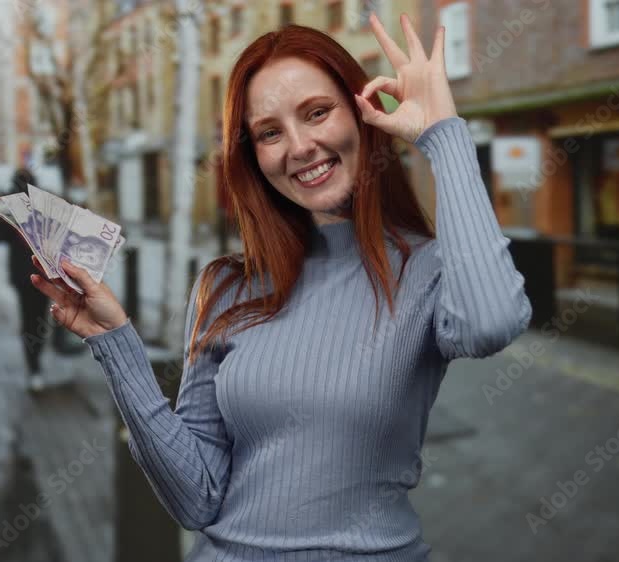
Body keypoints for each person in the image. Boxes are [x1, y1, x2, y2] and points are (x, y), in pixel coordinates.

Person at [31, 14, 531, 560]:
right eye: (270, 132)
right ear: (253, 157)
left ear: (364, 115)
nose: (299, 146)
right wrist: (117, 344)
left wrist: (443, 136)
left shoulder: (427, 271)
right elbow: (197, 499)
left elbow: (493, 321)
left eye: (318, 113)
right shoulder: (224, 286)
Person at [0, 168, 51, 393]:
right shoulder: (36, 203)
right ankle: (34, 366)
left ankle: (34, 366)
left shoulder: (40, 204)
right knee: (36, 320)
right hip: (35, 275)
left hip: (35, 274)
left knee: (32, 320)